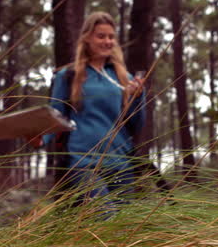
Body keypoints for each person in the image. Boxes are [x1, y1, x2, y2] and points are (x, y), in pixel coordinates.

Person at [33, 11, 146, 209]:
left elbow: (136, 125)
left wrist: (138, 97)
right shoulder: (67, 76)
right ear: (86, 39)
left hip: (121, 165)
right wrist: (42, 139)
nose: (107, 41)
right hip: (83, 163)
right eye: (101, 36)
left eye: (111, 37)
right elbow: (55, 114)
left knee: (124, 231)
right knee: (106, 217)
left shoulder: (124, 77)